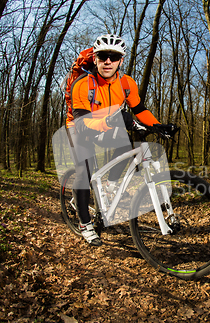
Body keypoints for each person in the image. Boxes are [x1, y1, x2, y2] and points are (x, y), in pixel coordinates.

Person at [68, 34, 160, 246]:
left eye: (113, 56)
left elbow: (139, 109)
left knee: (125, 144)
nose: (108, 61)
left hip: (106, 125)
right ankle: (84, 223)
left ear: (120, 60)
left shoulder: (126, 83)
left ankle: (109, 186)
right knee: (85, 169)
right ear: (95, 58)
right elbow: (82, 122)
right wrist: (113, 119)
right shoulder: (83, 84)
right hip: (80, 126)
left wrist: (157, 125)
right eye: (102, 56)